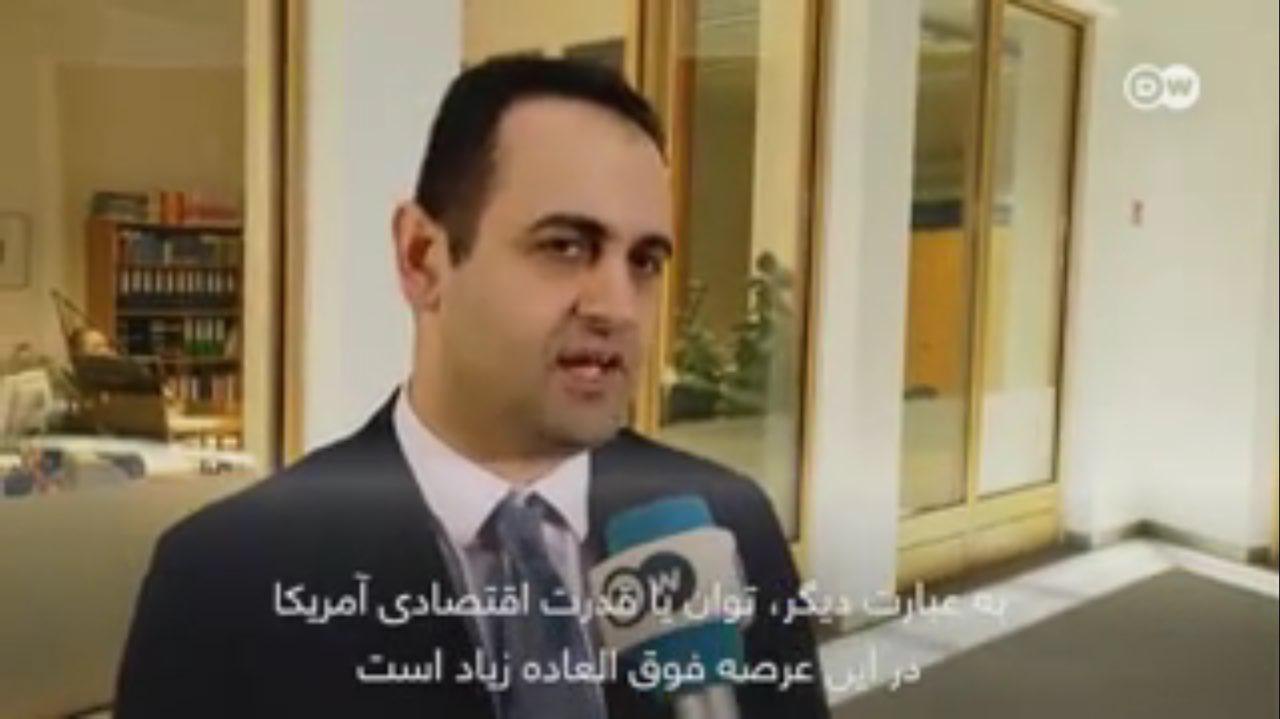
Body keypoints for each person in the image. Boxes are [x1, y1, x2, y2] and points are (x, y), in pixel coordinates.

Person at [114, 57, 828, 719]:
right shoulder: (226, 579)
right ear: (422, 258)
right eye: (564, 246)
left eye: (644, 261)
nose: (617, 306)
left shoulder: (725, 526)